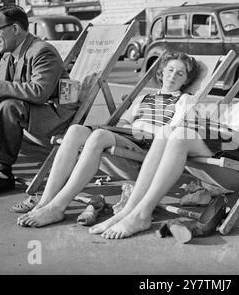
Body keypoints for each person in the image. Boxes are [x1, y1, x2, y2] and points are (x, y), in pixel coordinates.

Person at [86, 43, 239, 239]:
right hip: (227, 146)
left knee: (180, 136)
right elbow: (215, 129)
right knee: (166, 132)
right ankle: (130, 209)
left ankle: (142, 214)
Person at [16, 51, 199, 227]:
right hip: (128, 136)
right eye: (170, 70)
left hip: (149, 147)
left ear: (186, 80)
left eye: (180, 73)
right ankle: (46, 201)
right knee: (75, 131)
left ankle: (57, 207)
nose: (173, 76)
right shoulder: (145, 97)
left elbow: (172, 132)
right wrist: (131, 128)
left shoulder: (184, 100)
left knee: (99, 135)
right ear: (162, 72)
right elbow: (124, 121)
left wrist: (140, 129)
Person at [0, 5, 77, 197]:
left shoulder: (42, 51)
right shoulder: (8, 55)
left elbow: (39, 92)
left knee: (9, 106)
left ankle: (2, 173)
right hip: (32, 111)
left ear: (15, 29)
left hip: (55, 116)